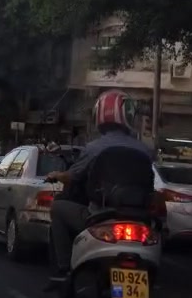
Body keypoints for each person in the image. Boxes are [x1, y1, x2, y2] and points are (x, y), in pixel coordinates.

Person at [44, 89, 156, 284]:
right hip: (139, 217)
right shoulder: (145, 150)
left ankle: (63, 268)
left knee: (58, 208)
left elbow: (72, 177)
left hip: (101, 214)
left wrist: (55, 175)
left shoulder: (94, 148)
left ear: (100, 116)